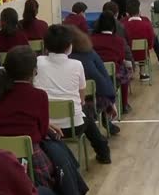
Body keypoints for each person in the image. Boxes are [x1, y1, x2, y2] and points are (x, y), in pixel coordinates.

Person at [0, 46, 88, 195]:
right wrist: (46, 127)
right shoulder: (38, 95)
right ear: (34, 71)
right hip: (30, 154)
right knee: (58, 156)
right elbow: (40, 132)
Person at [36, 25, 112, 164]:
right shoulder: (77, 65)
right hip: (72, 126)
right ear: (69, 46)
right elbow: (81, 99)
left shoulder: (38, 61)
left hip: (44, 125)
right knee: (85, 114)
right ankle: (103, 152)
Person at [70, 27, 119, 136]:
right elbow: (103, 77)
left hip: (67, 103)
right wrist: (112, 101)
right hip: (92, 99)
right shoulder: (90, 54)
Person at [92, 11, 134, 114]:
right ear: (113, 26)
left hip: (95, 75)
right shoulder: (119, 40)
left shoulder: (90, 39)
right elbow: (121, 58)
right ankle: (124, 104)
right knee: (126, 71)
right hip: (113, 75)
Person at [123, 0, 159, 79]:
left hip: (127, 55)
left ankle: (128, 72)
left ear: (127, 13)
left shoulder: (122, 23)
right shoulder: (145, 21)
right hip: (142, 54)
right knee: (153, 37)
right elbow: (150, 43)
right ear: (139, 10)